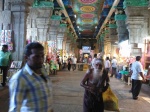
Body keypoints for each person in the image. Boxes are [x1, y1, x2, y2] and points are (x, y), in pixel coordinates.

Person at [9, 42, 53, 112]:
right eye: (36, 56)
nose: (41, 59)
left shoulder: (43, 72)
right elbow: (15, 108)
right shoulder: (19, 79)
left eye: (42, 56)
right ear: (26, 57)